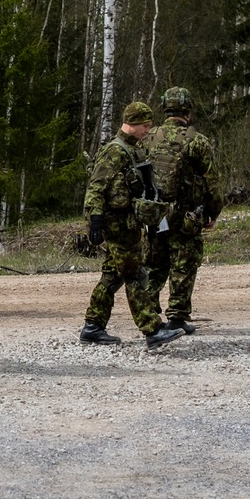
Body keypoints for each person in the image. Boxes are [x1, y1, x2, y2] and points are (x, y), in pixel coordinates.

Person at [80, 101, 185, 350]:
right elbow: (96, 187)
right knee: (136, 276)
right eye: (145, 126)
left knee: (111, 276)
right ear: (133, 123)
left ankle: (93, 327)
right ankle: (152, 329)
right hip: (117, 226)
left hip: (129, 223)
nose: (148, 130)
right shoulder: (114, 151)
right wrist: (94, 221)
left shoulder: (133, 150)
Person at [145, 86, 224, 334]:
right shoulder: (197, 141)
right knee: (184, 263)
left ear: (165, 109)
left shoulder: (149, 137)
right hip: (185, 215)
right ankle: (177, 317)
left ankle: (146, 312)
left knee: (154, 263)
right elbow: (212, 179)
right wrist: (213, 212)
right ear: (187, 111)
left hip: (153, 213)